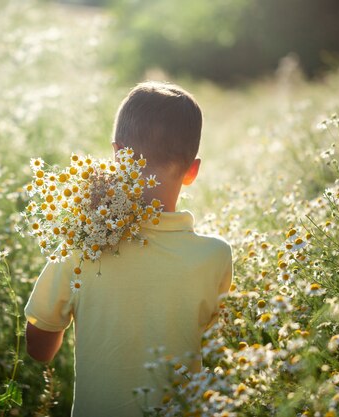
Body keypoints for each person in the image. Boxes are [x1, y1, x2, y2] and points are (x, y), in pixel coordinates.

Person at [24, 81, 233, 416]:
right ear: (193, 171)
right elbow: (215, 342)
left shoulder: (82, 245)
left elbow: (39, 348)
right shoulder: (215, 257)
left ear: (118, 156)